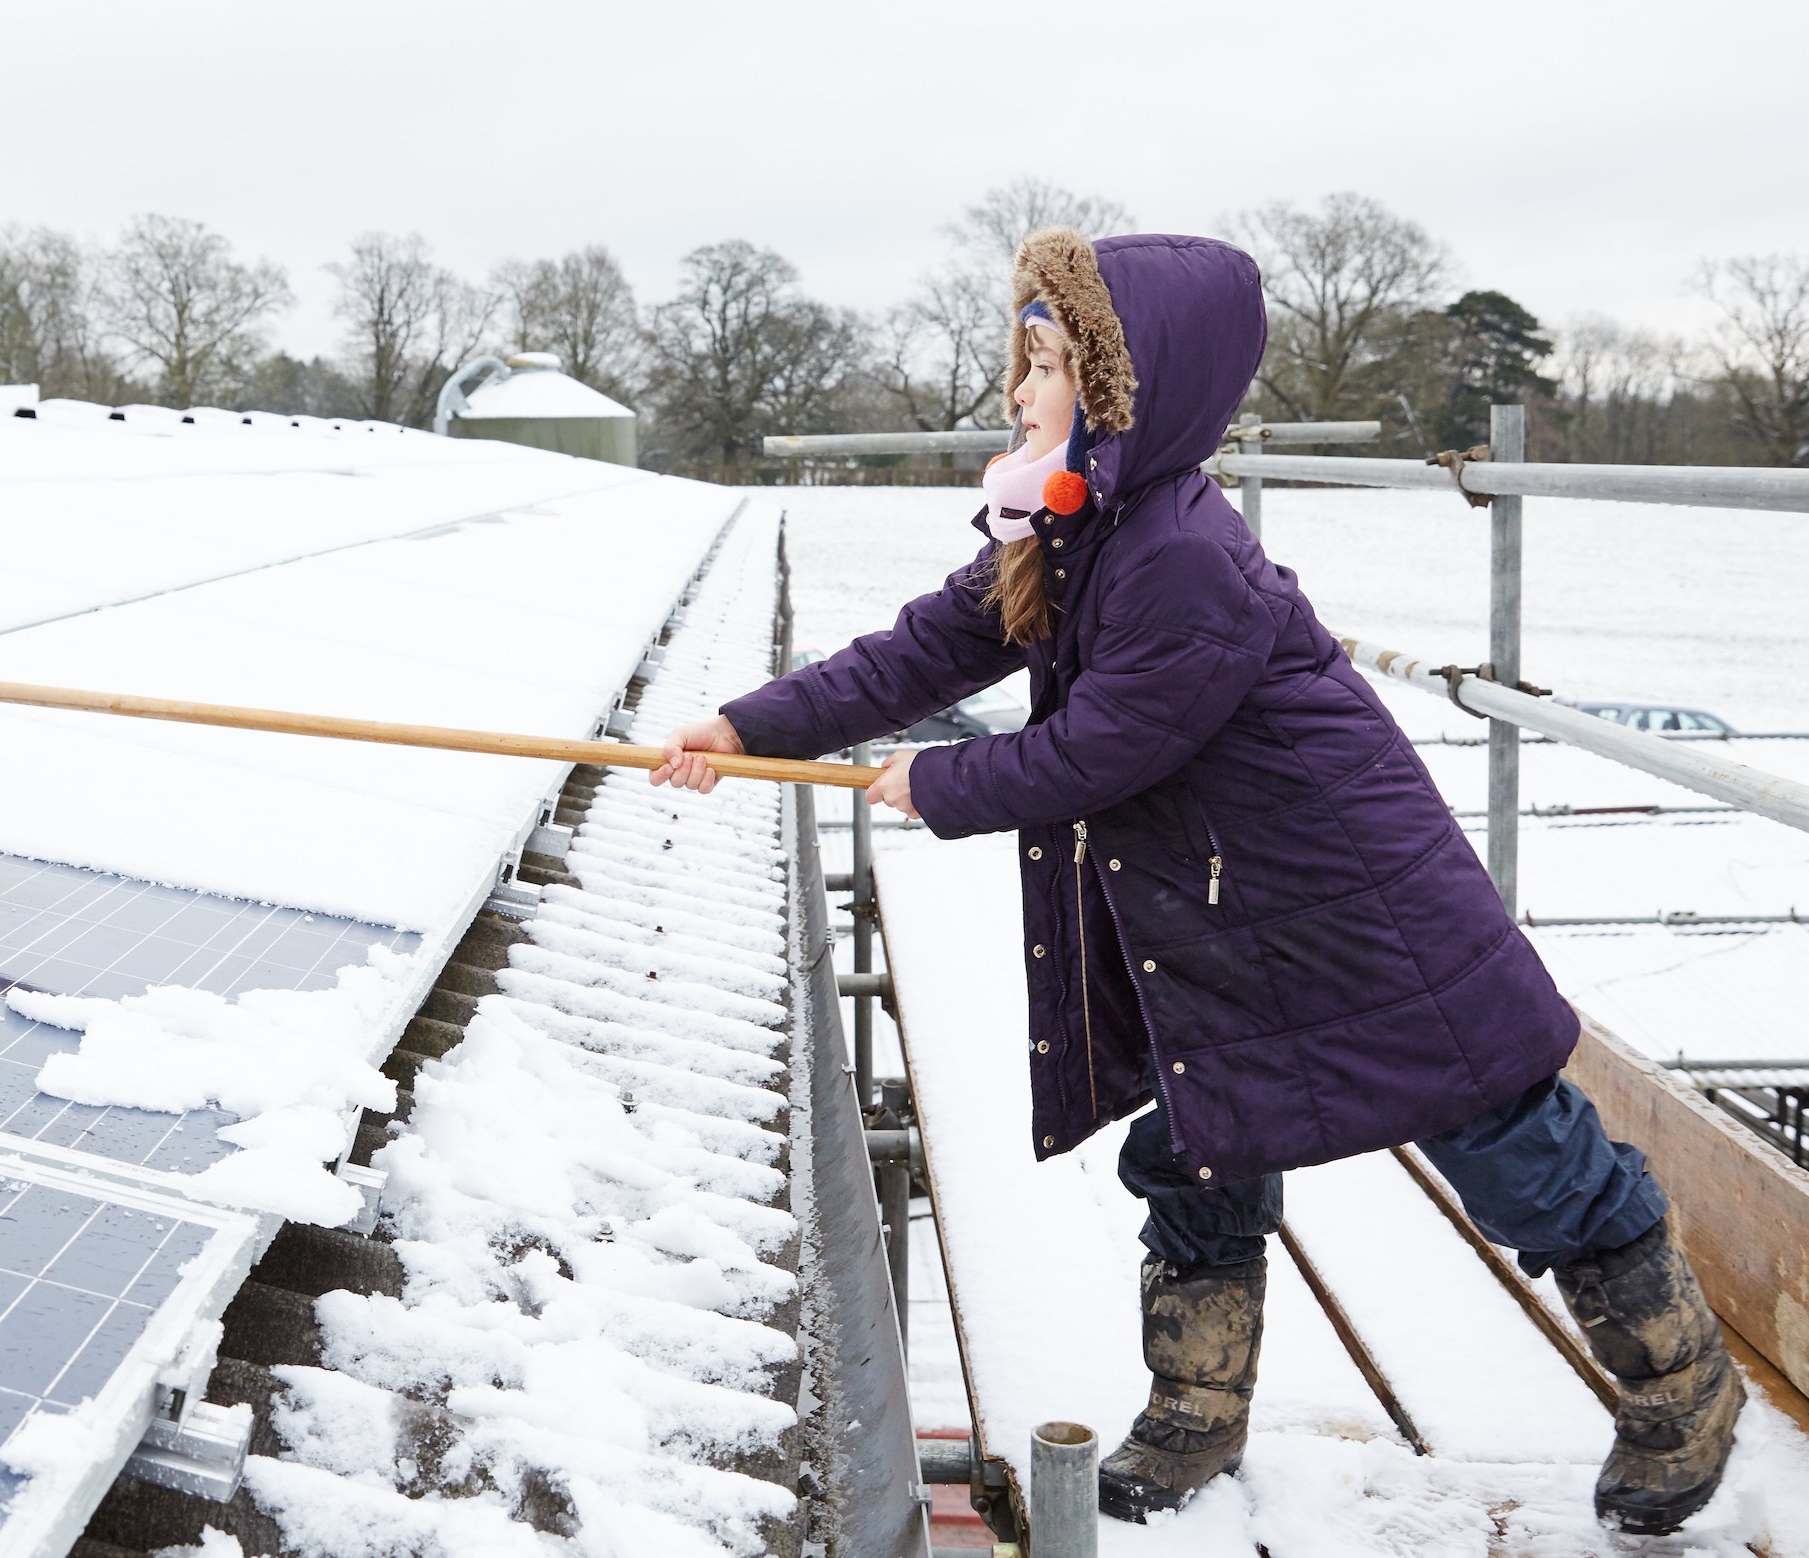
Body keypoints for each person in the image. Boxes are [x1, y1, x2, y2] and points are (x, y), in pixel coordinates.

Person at [653, 229, 1740, 1534]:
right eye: (1024, 360)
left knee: (1512, 1145)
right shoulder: (1067, 522)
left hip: (1357, 902)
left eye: (1048, 364)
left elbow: (1112, 742)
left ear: (1125, 390)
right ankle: (1197, 1408)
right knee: (1198, 1136)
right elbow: (928, 646)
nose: (1019, 391)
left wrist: (939, 786)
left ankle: (1683, 1390)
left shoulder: (1177, 550)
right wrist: (751, 726)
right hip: (1228, 907)